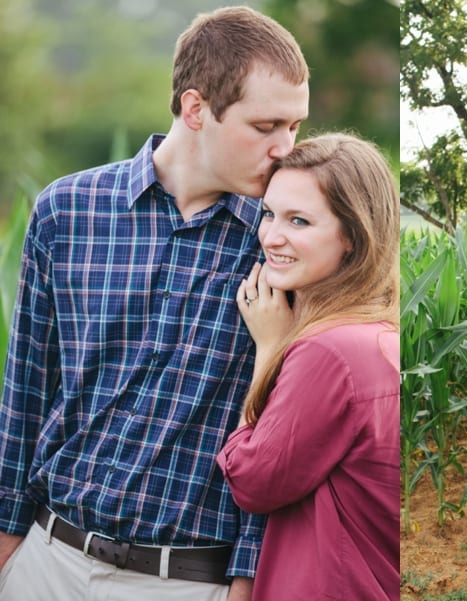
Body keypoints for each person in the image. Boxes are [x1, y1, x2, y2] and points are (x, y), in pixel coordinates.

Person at [0, 7, 309, 601]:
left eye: (295, 127)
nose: (284, 149)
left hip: (187, 583)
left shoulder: (284, 245)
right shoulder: (67, 212)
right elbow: (25, 395)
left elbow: (278, 436)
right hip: (47, 562)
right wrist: (10, 555)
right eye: (266, 126)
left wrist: (245, 583)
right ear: (196, 109)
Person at [215, 132, 400, 601]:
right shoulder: (381, 333)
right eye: (269, 213)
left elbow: (252, 481)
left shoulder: (331, 352)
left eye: (299, 221)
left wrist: (270, 349)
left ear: (354, 237)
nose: (271, 237)